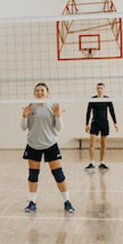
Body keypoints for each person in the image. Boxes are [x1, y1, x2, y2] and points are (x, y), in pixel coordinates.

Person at [20, 82, 75, 213]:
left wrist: (57, 116)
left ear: (47, 93)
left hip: (50, 144)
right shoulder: (30, 107)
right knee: (33, 175)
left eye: (42, 90)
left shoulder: (52, 106)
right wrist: (24, 116)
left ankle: (67, 202)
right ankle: (32, 202)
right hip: (33, 144)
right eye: (37, 90)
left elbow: (59, 128)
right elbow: (23, 127)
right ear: (35, 93)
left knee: (58, 174)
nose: (40, 92)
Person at [85, 83, 118, 170]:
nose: (99, 89)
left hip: (104, 123)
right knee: (92, 142)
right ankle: (92, 162)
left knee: (103, 143)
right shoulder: (93, 99)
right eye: (98, 88)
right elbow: (88, 112)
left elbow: (112, 111)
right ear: (96, 89)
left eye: (101, 88)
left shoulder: (107, 99)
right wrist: (86, 124)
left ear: (104, 89)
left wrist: (115, 123)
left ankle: (102, 162)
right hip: (95, 122)